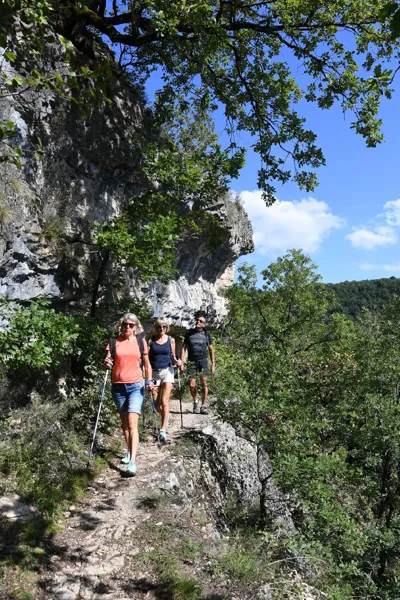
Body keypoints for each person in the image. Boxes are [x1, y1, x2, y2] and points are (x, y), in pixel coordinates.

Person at [103, 313, 153, 476]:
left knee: (132, 423)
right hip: (118, 386)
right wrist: (106, 363)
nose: (128, 327)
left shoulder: (140, 342)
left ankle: (132, 462)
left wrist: (149, 380)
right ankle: (129, 449)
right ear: (121, 325)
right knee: (124, 424)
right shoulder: (113, 342)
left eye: (131, 325)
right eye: (125, 324)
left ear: (136, 327)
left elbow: (147, 364)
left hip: (135, 386)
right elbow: (107, 361)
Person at [148, 317, 181, 442]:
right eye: (159, 327)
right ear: (156, 328)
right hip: (155, 373)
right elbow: (147, 358)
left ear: (166, 328)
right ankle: (166, 416)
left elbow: (172, 355)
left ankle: (162, 429)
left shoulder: (171, 340)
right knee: (156, 405)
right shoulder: (151, 341)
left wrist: (177, 361)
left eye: (164, 327)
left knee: (164, 400)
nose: (161, 329)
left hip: (167, 371)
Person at [180, 313, 215, 414]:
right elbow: (184, 348)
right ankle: (196, 401)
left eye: (201, 321)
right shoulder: (189, 333)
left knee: (204, 383)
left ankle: (203, 406)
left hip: (203, 361)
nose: (198, 322)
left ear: (204, 324)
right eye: (197, 320)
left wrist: (213, 365)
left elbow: (211, 350)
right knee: (192, 385)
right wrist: (181, 362)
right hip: (192, 362)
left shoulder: (207, 334)